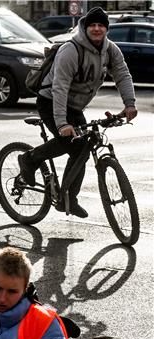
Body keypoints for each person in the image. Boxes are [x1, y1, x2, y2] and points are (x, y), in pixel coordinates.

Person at [18, 7, 136, 219]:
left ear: (106, 29)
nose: (97, 29)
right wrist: (62, 124)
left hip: (75, 106)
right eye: (93, 25)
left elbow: (122, 74)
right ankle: (30, 159)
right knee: (73, 142)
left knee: (84, 146)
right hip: (51, 101)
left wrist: (129, 104)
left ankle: (69, 199)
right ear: (85, 27)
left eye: (101, 25)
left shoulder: (110, 50)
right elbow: (60, 87)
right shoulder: (71, 50)